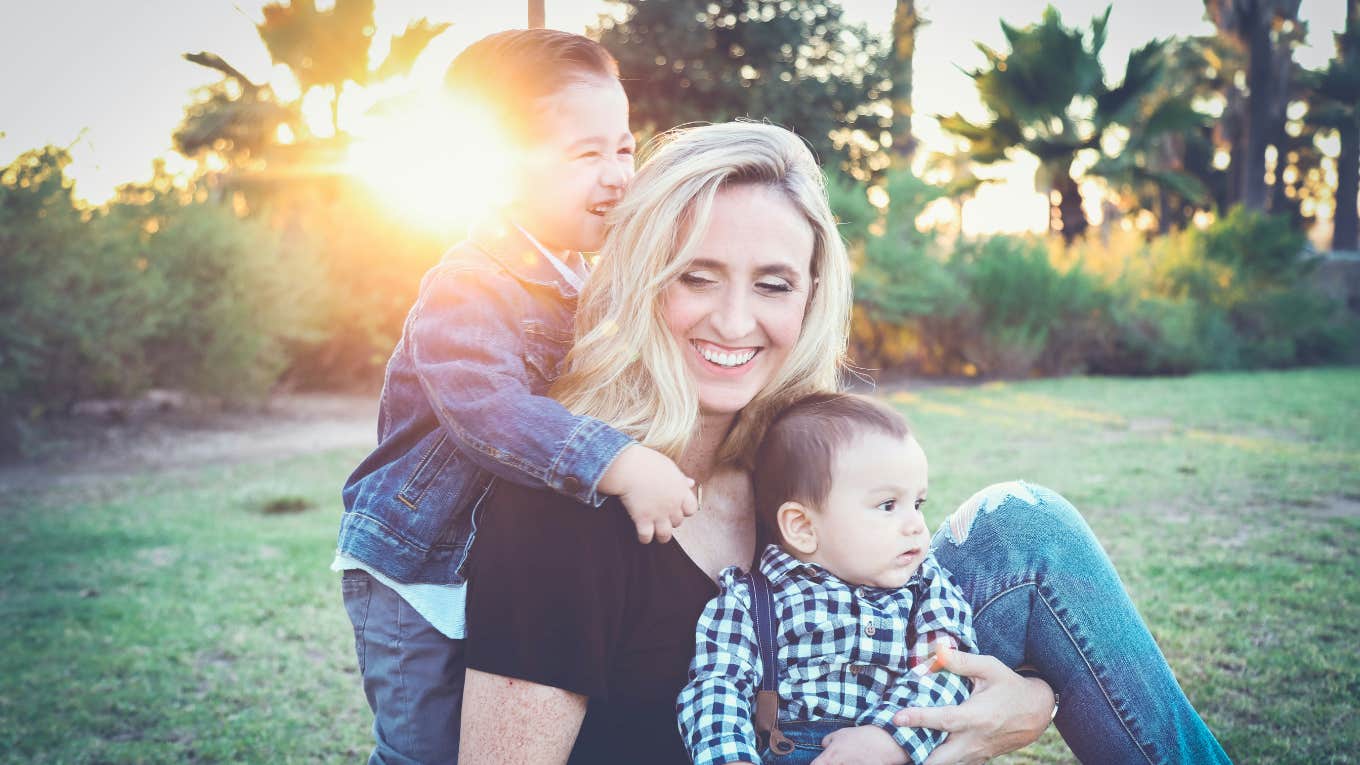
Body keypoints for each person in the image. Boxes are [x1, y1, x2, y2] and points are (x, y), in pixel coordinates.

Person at [458, 121, 1232, 765]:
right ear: (641, 278)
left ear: (812, 298)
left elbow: (917, 626)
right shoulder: (562, 511)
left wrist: (1030, 700)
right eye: (697, 276)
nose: (734, 321)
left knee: (1023, 527)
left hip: (853, 733)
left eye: (773, 283)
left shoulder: (793, 462)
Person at [333, 29, 699, 765]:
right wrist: (617, 461)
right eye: (585, 154)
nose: (618, 175)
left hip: (487, 565)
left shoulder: (582, 277)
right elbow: (487, 411)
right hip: (417, 572)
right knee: (423, 749)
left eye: (623, 149)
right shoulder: (468, 283)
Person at [677, 392, 977, 765]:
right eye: (888, 506)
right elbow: (717, 687)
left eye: (917, 504)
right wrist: (731, 757)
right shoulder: (750, 600)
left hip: (891, 748)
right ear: (802, 527)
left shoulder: (926, 585)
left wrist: (892, 737)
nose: (916, 525)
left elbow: (946, 666)